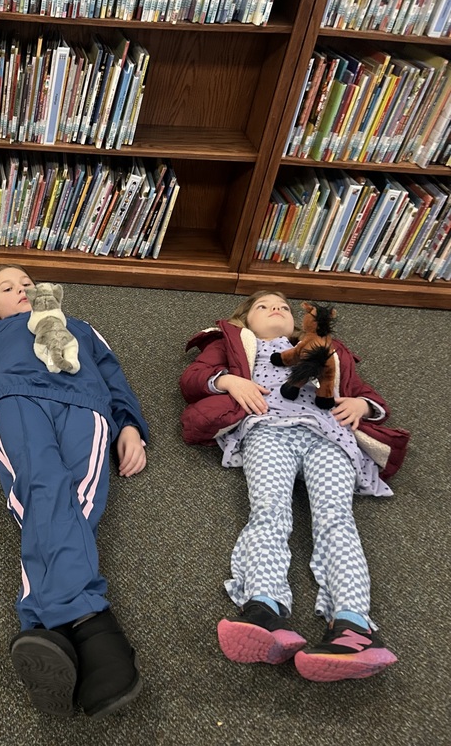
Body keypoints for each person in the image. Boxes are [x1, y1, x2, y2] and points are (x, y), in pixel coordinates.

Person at [0, 264, 149, 719]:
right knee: (44, 489)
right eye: (8, 288)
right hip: (15, 400)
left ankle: (48, 629)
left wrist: (130, 427)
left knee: (79, 501)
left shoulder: (82, 329)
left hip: (87, 406)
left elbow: (115, 378)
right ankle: (92, 624)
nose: (22, 290)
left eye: (28, 284)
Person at [180, 290, 409, 682]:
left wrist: (361, 406)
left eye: (284, 307)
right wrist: (231, 381)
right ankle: (265, 608)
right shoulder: (233, 341)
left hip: (330, 435)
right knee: (269, 512)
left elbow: (366, 393)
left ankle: (354, 627)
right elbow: (193, 379)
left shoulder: (329, 350)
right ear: (244, 320)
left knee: (337, 518)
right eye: (263, 306)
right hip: (268, 430)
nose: (276, 310)